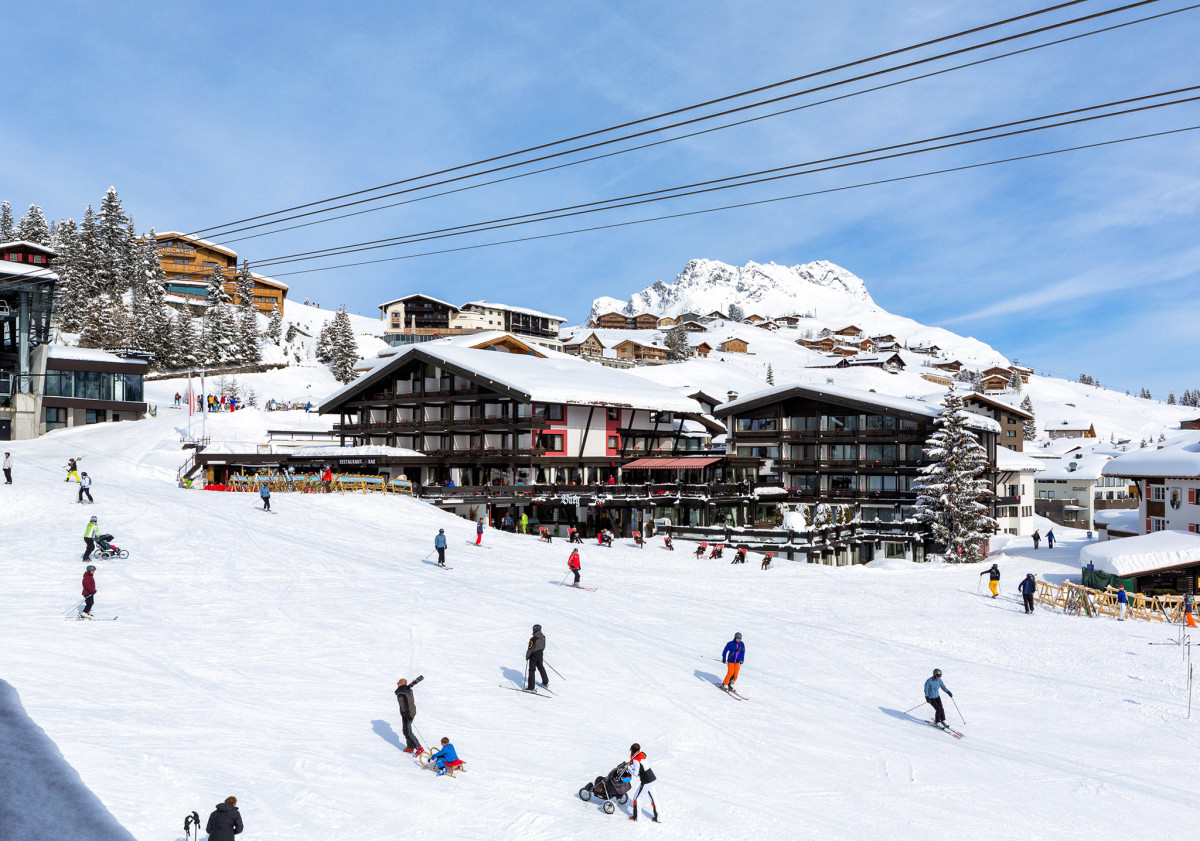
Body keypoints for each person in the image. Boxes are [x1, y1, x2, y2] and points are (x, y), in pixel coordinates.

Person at [624, 743, 659, 822]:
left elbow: (636, 773)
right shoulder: (642, 754)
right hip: (652, 778)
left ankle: (637, 817)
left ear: (632, 750)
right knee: (654, 799)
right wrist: (631, 765)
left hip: (646, 781)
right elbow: (641, 767)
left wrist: (629, 767)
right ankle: (659, 818)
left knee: (636, 798)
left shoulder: (636, 759)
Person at [394, 675, 424, 753]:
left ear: (400, 684)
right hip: (408, 712)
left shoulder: (403, 690)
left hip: (408, 712)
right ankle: (410, 747)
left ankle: (418, 747)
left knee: (407, 730)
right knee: (406, 730)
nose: (397, 684)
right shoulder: (405, 689)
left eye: (398, 683)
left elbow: (407, 702)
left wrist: (407, 713)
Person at [526, 624, 548, 691]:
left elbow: (530, 649)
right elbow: (544, 646)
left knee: (532, 671)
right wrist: (540, 653)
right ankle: (545, 682)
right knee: (541, 668)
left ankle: (531, 687)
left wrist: (527, 656)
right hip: (540, 655)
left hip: (533, 657)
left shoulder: (533, 639)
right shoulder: (543, 637)